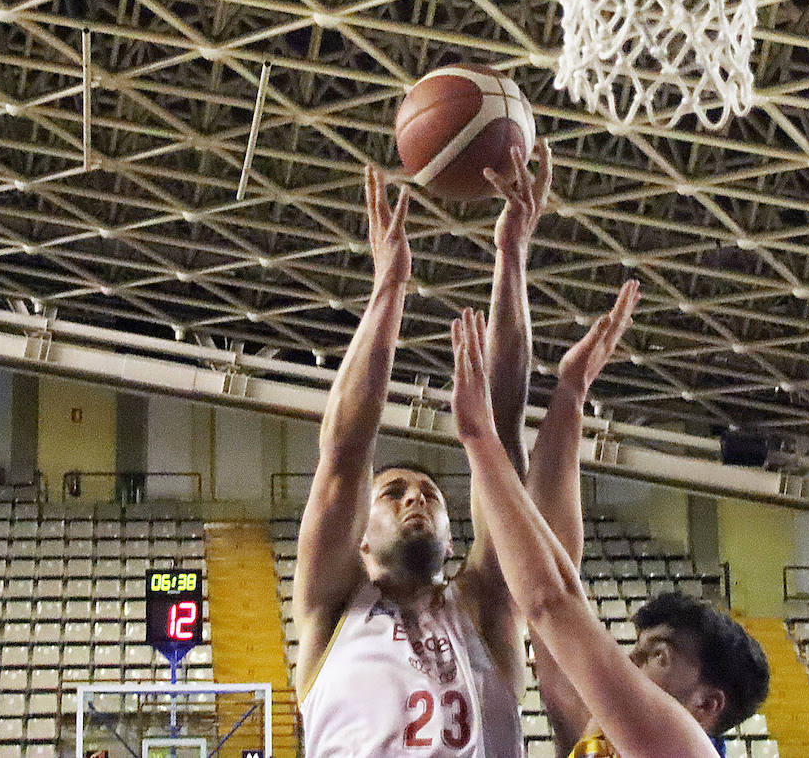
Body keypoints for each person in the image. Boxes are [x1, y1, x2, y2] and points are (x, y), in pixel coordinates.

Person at [294, 142, 552, 757]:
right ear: (359, 535)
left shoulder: (485, 605)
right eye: (395, 491)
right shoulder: (333, 607)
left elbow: (506, 416)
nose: (417, 497)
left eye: (431, 496)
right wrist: (389, 288)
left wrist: (511, 256)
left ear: (452, 536)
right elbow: (346, 451)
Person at [449, 298, 771, 758]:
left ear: (706, 705)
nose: (630, 661)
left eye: (658, 656)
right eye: (639, 649)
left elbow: (550, 602)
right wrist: (570, 394)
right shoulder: (607, 735)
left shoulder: (685, 750)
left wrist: (479, 438)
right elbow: (556, 602)